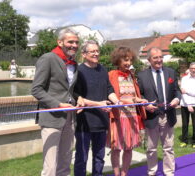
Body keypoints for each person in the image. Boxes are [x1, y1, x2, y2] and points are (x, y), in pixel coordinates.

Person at [31, 28, 83, 176]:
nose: (74, 45)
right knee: (50, 166)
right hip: (52, 118)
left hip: (69, 117)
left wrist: (77, 98)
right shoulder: (48, 58)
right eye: (70, 42)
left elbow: (67, 90)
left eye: (76, 42)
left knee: (66, 161)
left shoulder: (74, 63)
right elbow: (36, 89)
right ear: (60, 42)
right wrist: (58, 104)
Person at [74, 40, 119, 176]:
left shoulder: (103, 69)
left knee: (99, 158)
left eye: (97, 51)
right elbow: (77, 97)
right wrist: (99, 104)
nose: (96, 54)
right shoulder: (79, 71)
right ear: (84, 54)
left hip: (101, 121)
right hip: (84, 123)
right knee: (82, 158)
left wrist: (116, 102)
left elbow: (109, 89)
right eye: (92, 51)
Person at [137, 47, 181, 176]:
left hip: (168, 115)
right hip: (151, 117)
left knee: (168, 147)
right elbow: (139, 95)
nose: (159, 60)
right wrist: (145, 105)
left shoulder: (171, 72)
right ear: (149, 59)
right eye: (155, 57)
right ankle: (152, 171)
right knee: (151, 148)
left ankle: (169, 172)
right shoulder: (141, 75)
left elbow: (176, 90)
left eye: (161, 57)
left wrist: (177, 99)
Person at [106, 47, 147, 176]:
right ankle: (116, 174)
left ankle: (125, 174)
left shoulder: (131, 75)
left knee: (129, 149)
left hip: (132, 117)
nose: (128, 63)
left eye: (130, 60)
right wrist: (127, 101)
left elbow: (133, 95)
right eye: (125, 60)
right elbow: (110, 95)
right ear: (118, 60)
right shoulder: (111, 74)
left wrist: (140, 100)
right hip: (118, 117)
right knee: (116, 149)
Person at [180, 62, 195, 148]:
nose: (194, 70)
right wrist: (188, 104)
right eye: (192, 68)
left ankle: (194, 142)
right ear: (189, 69)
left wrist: (188, 92)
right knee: (185, 124)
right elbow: (182, 93)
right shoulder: (184, 79)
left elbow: (187, 92)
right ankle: (184, 140)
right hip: (185, 104)